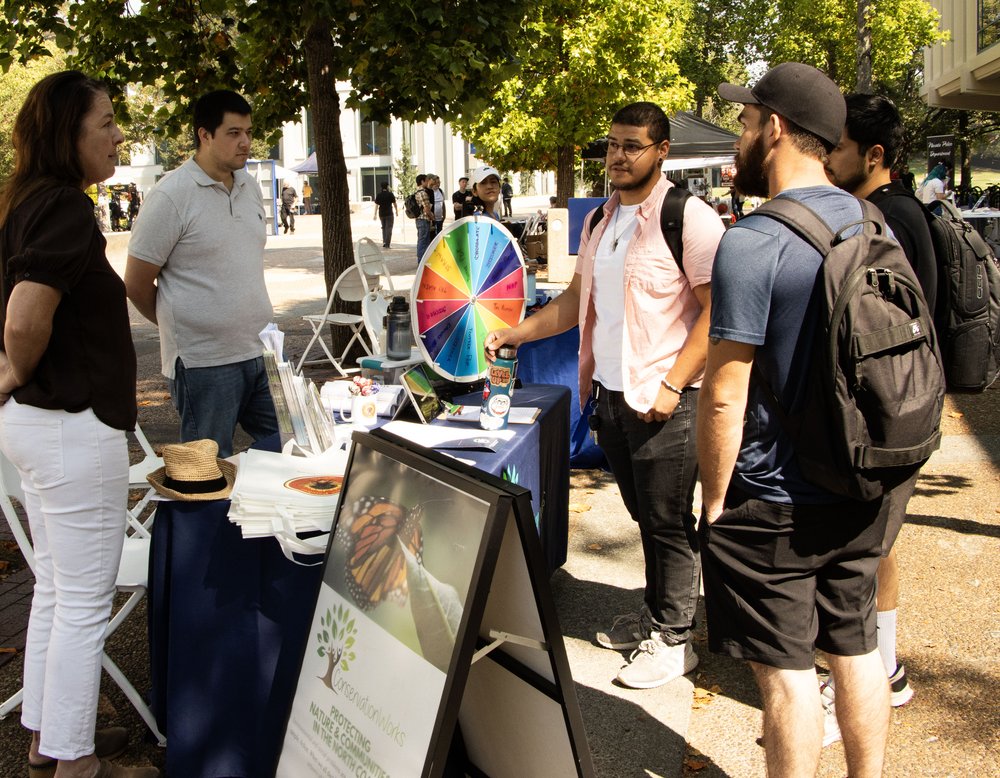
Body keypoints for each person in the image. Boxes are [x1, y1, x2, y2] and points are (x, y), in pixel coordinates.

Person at [699, 62, 920, 777]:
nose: (738, 138)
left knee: (787, 675)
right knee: (856, 650)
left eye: (743, 123)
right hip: (864, 485)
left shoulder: (755, 240)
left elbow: (726, 393)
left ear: (777, 128)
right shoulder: (871, 218)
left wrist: (713, 501)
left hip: (777, 502)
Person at [485, 102, 724, 689]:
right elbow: (574, 304)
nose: (617, 156)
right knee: (646, 516)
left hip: (668, 399)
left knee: (666, 520)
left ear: (661, 150)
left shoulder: (688, 217)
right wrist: (515, 332)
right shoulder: (600, 221)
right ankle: (662, 611)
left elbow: (719, 313)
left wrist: (672, 387)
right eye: (612, 144)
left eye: (632, 146)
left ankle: (674, 638)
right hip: (612, 397)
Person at [0, 70, 159, 778]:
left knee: (59, 592)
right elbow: (25, 317)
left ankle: (45, 737)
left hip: (42, 426)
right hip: (70, 426)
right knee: (82, 603)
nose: (118, 134)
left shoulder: (26, 204)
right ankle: (76, 761)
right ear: (70, 135)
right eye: (107, 122)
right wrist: (11, 369)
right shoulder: (63, 207)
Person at [822, 92, 934, 723]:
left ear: (875, 154)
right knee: (878, 547)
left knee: (861, 554)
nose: (829, 160)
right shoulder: (905, 213)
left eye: (837, 147)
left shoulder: (879, 221)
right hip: (905, 410)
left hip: (886, 415)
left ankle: (870, 677)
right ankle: (885, 666)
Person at [125, 89, 278, 458]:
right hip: (202, 364)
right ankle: (209, 519)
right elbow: (136, 282)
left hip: (259, 351)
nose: (245, 142)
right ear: (204, 135)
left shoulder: (249, 186)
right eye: (233, 133)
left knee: (287, 449)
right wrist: (180, 328)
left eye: (248, 132)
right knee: (207, 470)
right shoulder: (171, 196)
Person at [414, 173, 433, 261]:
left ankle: (421, 260)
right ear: (422, 181)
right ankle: (421, 261)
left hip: (418, 219)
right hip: (424, 219)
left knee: (421, 240)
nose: (427, 182)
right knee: (424, 241)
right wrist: (432, 217)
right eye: (426, 180)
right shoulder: (423, 193)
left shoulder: (416, 192)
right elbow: (426, 208)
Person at [373, 181, 397, 248]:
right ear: (387, 186)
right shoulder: (390, 194)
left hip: (381, 213)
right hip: (389, 213)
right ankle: (387, 243)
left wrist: (374, 214)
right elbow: (394, 204)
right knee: (389, 228)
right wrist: (396, 211)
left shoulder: (379, 195)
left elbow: (376, 205)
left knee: (383, 228)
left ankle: (384, 241)